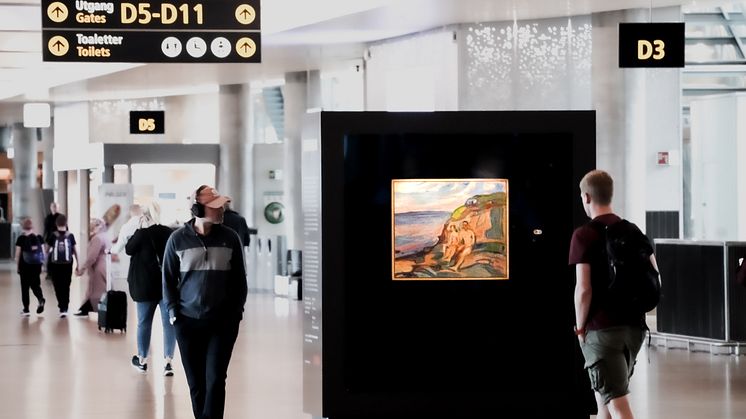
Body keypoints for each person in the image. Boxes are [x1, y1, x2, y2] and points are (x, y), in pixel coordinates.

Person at [569, 169, 658, 419]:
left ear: (586, 197)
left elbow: (583, 289)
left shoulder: (583, 235)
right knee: (605, 401)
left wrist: (579, 328)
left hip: (602, 330)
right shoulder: (633, 231)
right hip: (634, 329)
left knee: (618, 406)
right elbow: (654, 272)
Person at [163, 185, 247, 419]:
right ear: (198, 209)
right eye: (216, 206)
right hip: (187, 322)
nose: (223, 210)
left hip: (222, 323)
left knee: (216, 379)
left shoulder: (230, 238)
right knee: (196, 382)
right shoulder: (177, 240)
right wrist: (173, 312)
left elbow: (240, 279)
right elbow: (168, 280)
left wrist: (236, 313)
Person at [125, 201, 176, 376]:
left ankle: (142, 360)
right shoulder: (169, 233)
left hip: (145, 288)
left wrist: (139, 229)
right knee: (168, 324)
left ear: (144, 216)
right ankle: (168, 362)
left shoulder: (142, 234)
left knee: (143, 323)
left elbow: (128, 249)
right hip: (166, 287)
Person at [74, 218, 111, 316]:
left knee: (96, 291)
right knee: (97, 290)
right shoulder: (105, 237)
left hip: (97, 268)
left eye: (93, 225)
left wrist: (82, 269)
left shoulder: (97, 238)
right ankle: (86, 309)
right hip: (105, 265)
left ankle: (100, 310)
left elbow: (92, 257)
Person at [45, 214, 79, 317]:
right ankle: (65, 307)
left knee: (57, 285)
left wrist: (44, 263)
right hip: (68, 264)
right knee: (66, 285)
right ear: (66, 223)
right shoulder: (70, 235)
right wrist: (78, 264)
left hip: (55, 264)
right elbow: (75, 251)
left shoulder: (52, 235)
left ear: (56, 224)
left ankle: (61, 306)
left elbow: (46, 250)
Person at [15, 218, 45, 316]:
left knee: (25, 288)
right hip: (36, 266)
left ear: (23, 227)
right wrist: (42, 265)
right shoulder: (39, 238)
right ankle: (41, 299)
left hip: (24, 266)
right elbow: (43, 253)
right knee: (36, 285)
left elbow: (17, 255)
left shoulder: (21, 238)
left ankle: (26, 309)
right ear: (32, 226)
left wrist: (17, 266)